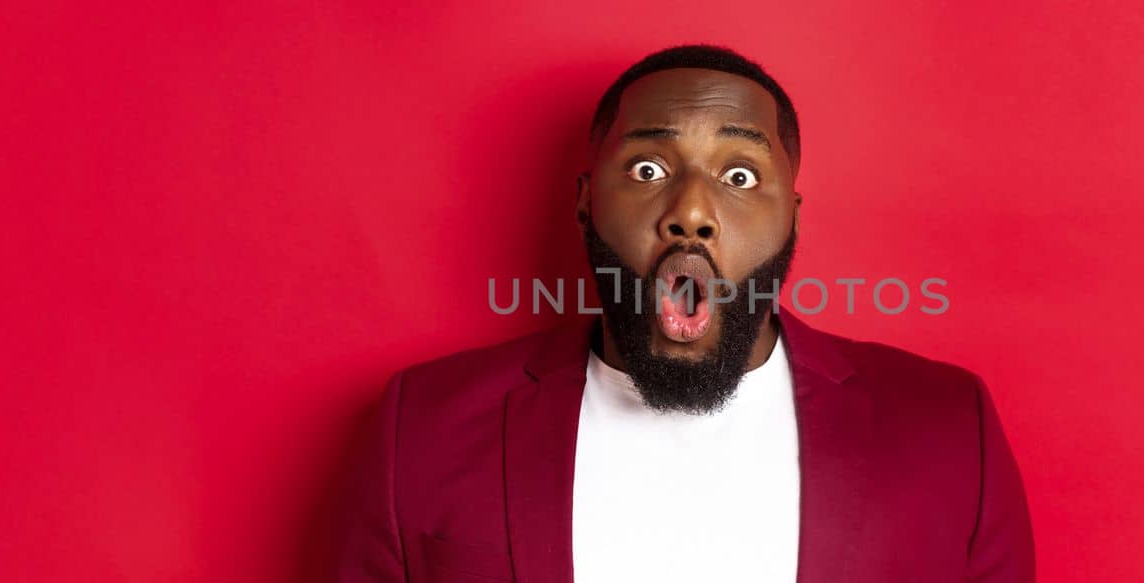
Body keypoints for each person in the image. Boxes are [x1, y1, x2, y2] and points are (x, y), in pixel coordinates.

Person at [331, 44, 1034, 583]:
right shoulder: (420, 426)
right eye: (648, 170)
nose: (691, 214)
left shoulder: (949, 428)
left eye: (739, 176)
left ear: (790, 216)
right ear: (585, 201)